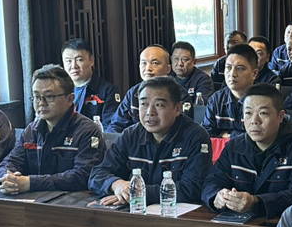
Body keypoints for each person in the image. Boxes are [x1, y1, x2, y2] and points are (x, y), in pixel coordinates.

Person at [202, 84, 292, 218]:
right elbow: (211, 181)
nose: (254, 121)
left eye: (263, 113)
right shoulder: (235, 146)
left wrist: (255, 202)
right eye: (248, 113)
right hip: (238, 223)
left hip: (286, 224)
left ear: (280, 116)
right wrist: (217, 196)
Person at [88, 77, 211, 205]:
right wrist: (116, 184)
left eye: (159, 105)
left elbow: (193, 188)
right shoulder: (130, 135)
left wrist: (138, 193)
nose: (150, 112)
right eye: (144, 104)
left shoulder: (196, 136)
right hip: (134, 209)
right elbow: (97, 174)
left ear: (178, 109)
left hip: (176, 212)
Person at [0, 64, 105, 193]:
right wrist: (7, 178)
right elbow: (8, 162)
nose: (41, 103)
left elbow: (83, 176)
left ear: (70, 99)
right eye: (37, 97)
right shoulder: (31, 130)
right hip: (33, 198)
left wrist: (31, 183)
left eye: (49, 96)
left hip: (71, 200)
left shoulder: (87, 131)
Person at [107, 45, 191, 133]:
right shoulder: (133, 92)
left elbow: (182, 130)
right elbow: (116, 125)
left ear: (168, 69)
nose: (148, 68)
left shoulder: (179, 94)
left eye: (155, 63)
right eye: (144, 63)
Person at [201, 44, 259, 137]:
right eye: (228, 67)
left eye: (240, 69)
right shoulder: (216, 99)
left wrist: (228, 135)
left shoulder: (263, 100)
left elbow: (261, 137)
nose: (232, 74)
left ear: (254, 73)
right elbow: (207, 136)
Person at [61, 38, 120, 129]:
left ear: (92, 60)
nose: (73, 66)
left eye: (79, 60)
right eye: (68, 61)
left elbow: (111, 126)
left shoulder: (107, 90)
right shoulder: (60, 90)